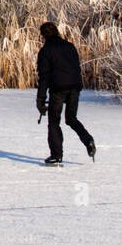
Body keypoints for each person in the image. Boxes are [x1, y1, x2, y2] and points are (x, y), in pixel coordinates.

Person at [36, 21, 96, 166]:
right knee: (71, 119)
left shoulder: (46, 51)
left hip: (58, 89)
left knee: (54, 122)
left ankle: (56, 156)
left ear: (43, 36)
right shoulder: (70, 46)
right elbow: (76, 68)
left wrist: (40, 99)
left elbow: (44, 77)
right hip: (74, 87)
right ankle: (88, 140)